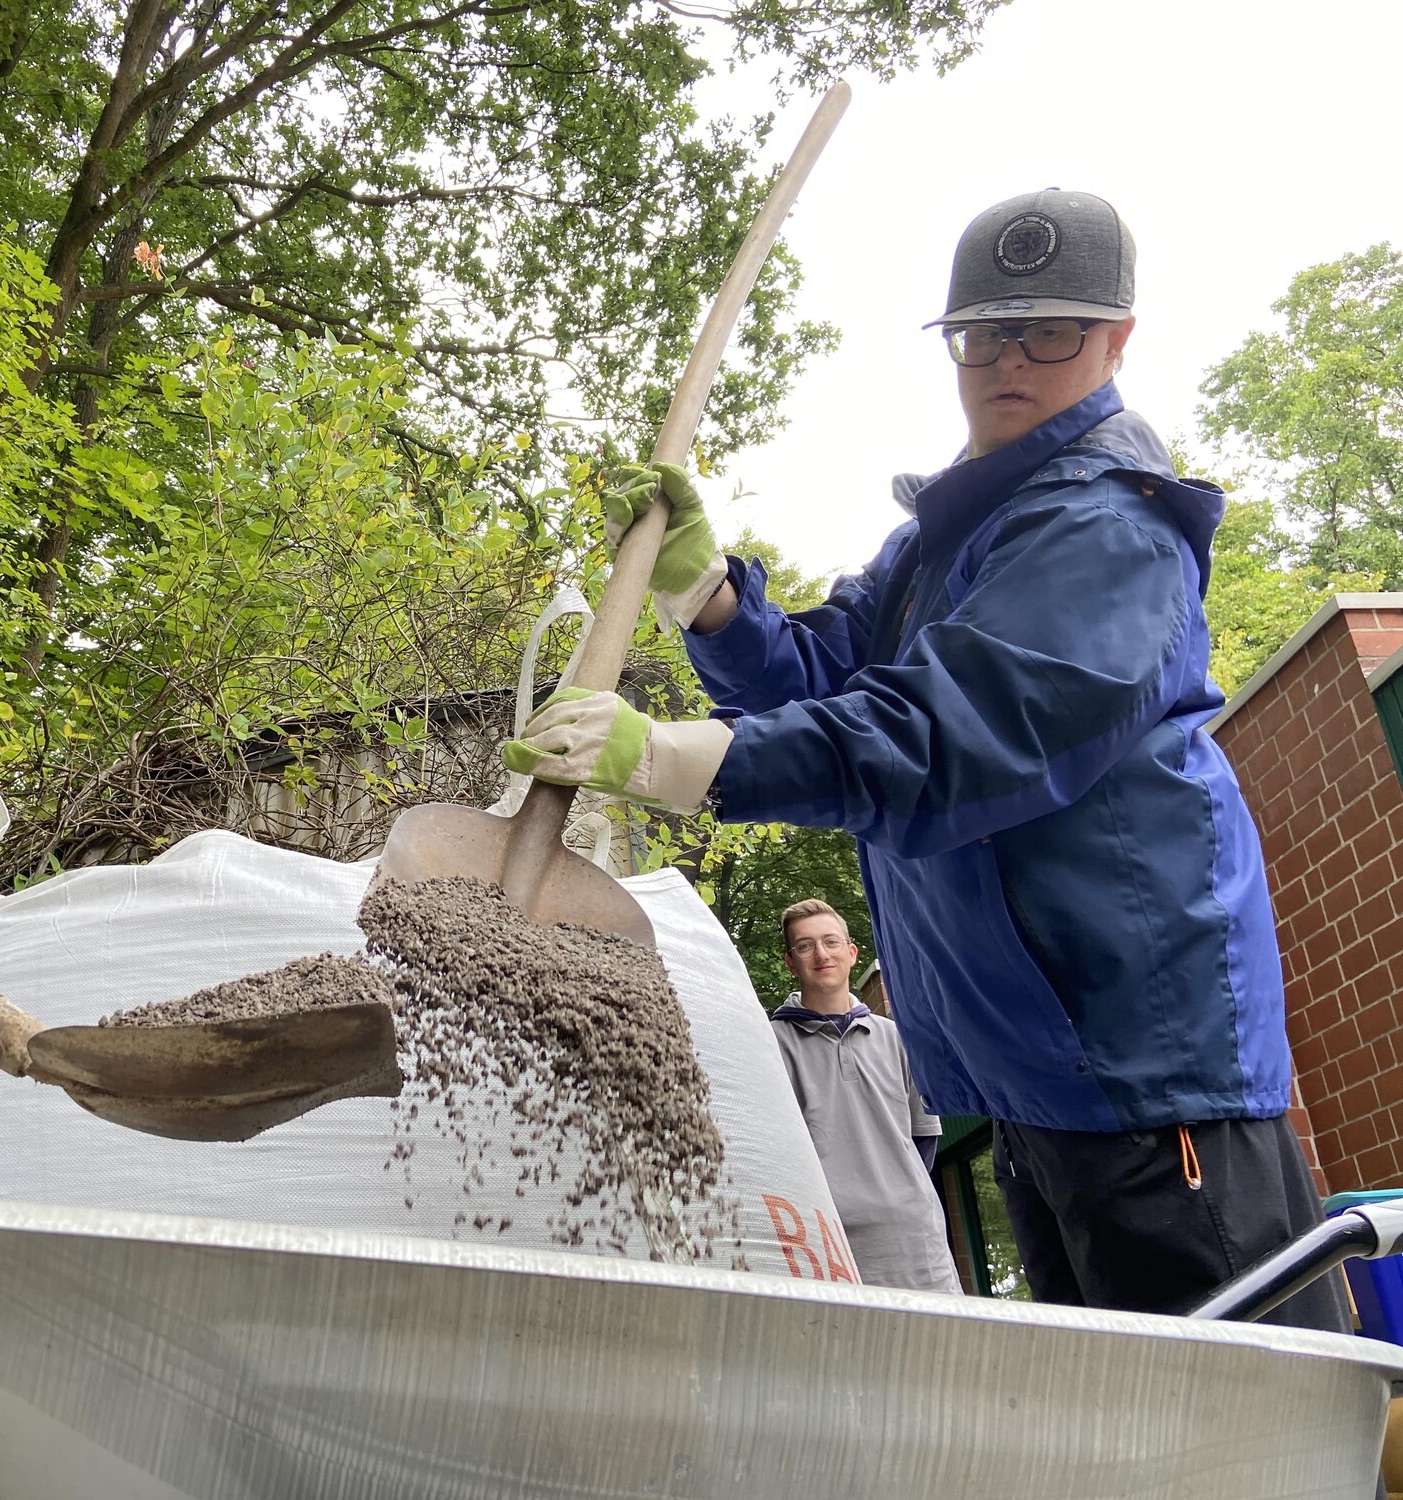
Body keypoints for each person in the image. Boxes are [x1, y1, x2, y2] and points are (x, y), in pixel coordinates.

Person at [504, 189, 1349, 1331]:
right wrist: (704, 600)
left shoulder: (1105, 529)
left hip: (1145, 1080)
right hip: (1026, 1075)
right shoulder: (940, 540)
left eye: (1048, 330)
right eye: (982, 332)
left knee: (1232, 1437)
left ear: (1116, 339)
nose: (1008, 358)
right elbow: (826, 675)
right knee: (1104, 1433)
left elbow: (948, 739)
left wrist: (661, 756)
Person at [771, 899, 959, 1294]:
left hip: (915, 1244)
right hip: (822, 1244)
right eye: (805, 946)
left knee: (936, 1349)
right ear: (791, 962)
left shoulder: (897, 1037)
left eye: (831, 942)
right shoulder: (770, 1044)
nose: (821, 954)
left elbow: (923, 1137)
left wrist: (896, 1191)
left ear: (852, 953)